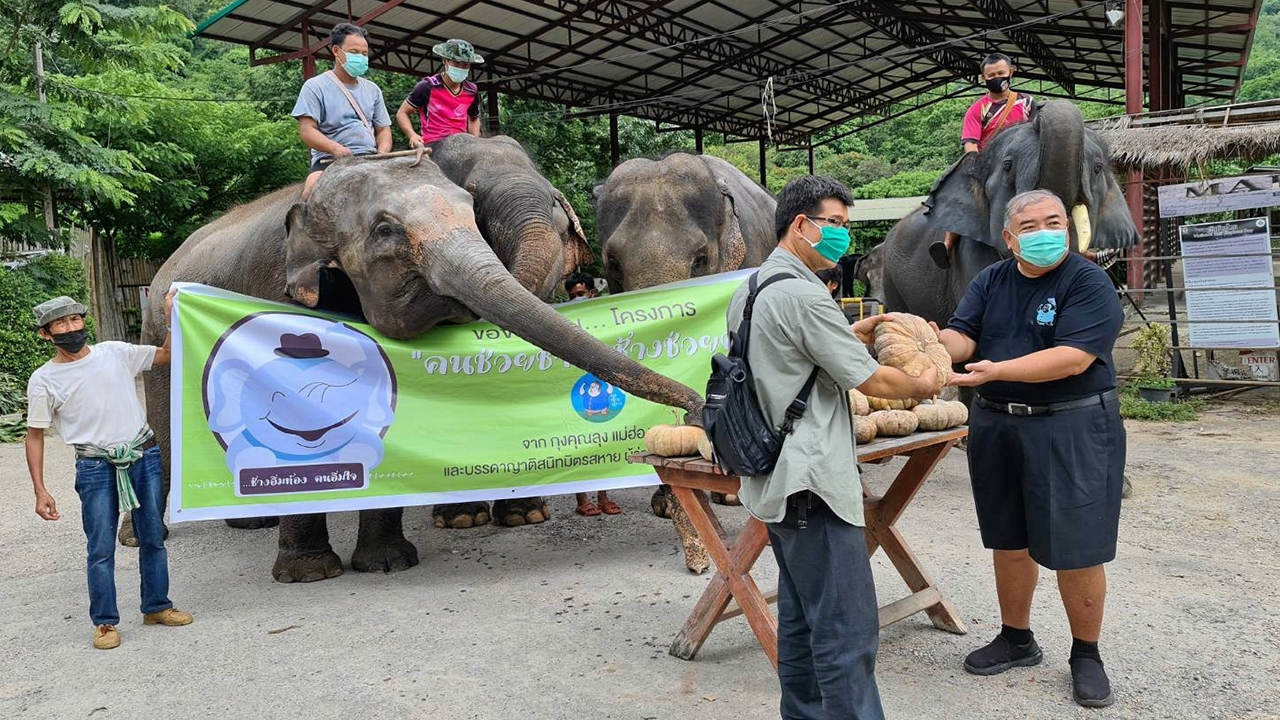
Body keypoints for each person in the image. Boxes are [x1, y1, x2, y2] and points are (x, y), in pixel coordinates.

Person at [727, 175, 938, 719]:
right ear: (802, 225)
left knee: (801, 623)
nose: (844, 235)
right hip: (813, 483)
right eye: (836, 224)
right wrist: (929, 381)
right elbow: (873, 382)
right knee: (846, 632)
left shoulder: (753, 287)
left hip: (775, 479)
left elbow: (793, 357)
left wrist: (851, 331)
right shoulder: (803, 295)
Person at [932, 189, 1125, 708]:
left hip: (1072, 425)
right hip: (997, 424)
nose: (1045, 233)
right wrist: (931, 342)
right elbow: (963, 337)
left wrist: (996, 371)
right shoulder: (990, 280)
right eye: (1032, 225)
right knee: (1008, 538)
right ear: (1009, 238)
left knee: (1075, 545)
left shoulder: (1088, 282)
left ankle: (1086, 654)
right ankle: (1017, 638)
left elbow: (1073, 358)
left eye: (1054, 221)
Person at [25, 292, 194, 650]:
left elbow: (166, 355)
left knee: (152, 536)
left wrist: (169, 316)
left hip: (143, 455)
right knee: (100, 547)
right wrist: (40, 490)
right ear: (46, 334)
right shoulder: (44, 380)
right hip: (95, 466)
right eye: (60, 324)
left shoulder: (114, 353)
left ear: (84, 322)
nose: (71, 329)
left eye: (75, 320)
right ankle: (104, 622)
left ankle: (157, 607)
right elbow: (35, 435)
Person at [931, 52, 1038, 269]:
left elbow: (1037, 134)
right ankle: (948, 243)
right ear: (984, 78)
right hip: (990, 164)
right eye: (991, 75)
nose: (997, 77)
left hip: (1024, 163)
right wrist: (977, 163)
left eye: (1001, 73)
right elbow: (970, 143)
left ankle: (1083, 249)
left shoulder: (1027, 102)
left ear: (1011, 72)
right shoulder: (977, 109)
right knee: (959, 189)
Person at [292, 23, 393, 200]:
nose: (361, 58)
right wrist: (336, 148)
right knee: (310, 193)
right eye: (354, 52)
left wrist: (382, 154)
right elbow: (307, 130)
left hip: (371, 158)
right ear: (337, 51)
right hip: (331, 161)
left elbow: (383, 129)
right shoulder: (315, 86)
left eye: (364, 54)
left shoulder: (373, 89)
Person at [561, 271, 621, 516]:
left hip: (600, 379)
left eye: (581, 294)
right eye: (572, 296)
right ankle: (582, 499)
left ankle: (604, 497)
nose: (577, 299)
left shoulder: (605, 316)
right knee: (578, 445)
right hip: (575, 389)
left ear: (592, 293)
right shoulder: (562, 318)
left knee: (603, 444)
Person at [397, 39, 484, 150]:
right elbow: (402, 113)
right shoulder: (426, 87)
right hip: (434, 145)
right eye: (456, 62)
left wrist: (474, 141)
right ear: (445, 61)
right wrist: (412, 135)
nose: (461, 67)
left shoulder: (471, 90)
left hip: (462, 143)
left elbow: (474, 118)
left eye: (466, 64)